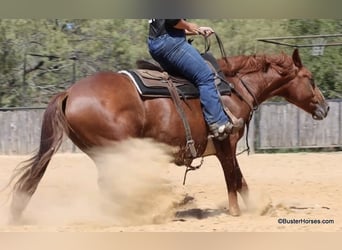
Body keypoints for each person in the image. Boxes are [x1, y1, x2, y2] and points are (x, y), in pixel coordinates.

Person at [147, 19, 243, 140]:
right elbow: (173, 20)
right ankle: (218, 123)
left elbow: (166, 27)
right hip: (171, 43)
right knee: (205, 77)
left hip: (156, 44)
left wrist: (197, 30)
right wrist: (189, 25)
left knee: (184, 78)